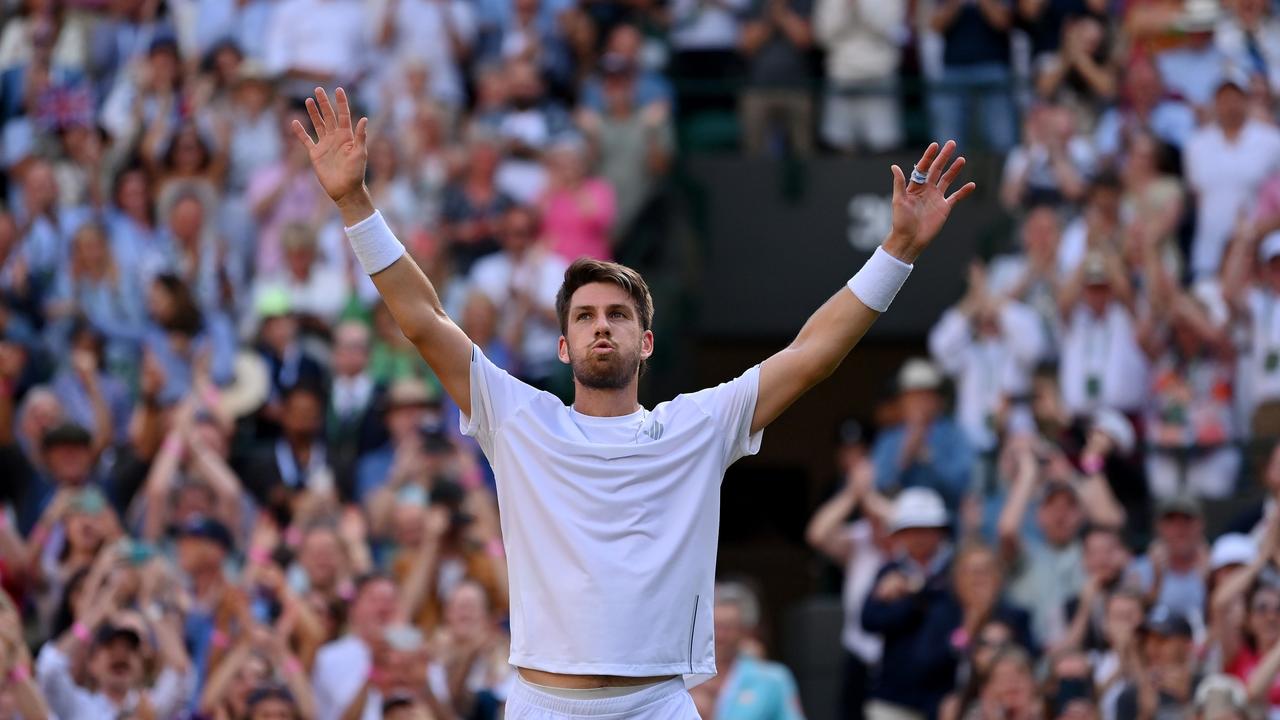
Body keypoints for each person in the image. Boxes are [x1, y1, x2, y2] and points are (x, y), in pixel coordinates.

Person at [292, 87, 976, 719]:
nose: (600, 326)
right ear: (562, 346)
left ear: (645, 341)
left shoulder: (699, 426)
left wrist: (898, 249)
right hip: (541, 701)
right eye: (584, 316)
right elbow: (423, 320)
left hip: (657, 704)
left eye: (617, 315)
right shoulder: (518, 417)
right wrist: (355, 205)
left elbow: (812, 355)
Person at [805, 448, 890, 720]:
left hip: (897, 652)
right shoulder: (859, 539)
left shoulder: (906, 542)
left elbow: (897, 519)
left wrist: (868, 492)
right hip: (857, 650)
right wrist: (851, 493)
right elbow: (816, 534)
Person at [861, 487, 955, 720]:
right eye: (911, 530)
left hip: (946, 697)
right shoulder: (889, 571)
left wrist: (912, 590)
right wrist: (914, 600)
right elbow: (869, 620)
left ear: (941, 532)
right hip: (894, 696)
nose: (920, 537)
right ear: (899, 535)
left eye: (927, 530)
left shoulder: (956, 572)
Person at [689, 582, 805, 719]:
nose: (720, 636)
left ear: (745, 631)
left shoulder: (773, 679)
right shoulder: (682, 678)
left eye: (728, 628)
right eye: (714, 627)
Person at [869, 358, 975, 509]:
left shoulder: (954, 434)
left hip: (945, 524)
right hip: (900, 523)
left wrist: (929, 457)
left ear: (937, 399)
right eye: (913, 396)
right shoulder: (889, 437)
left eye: (926, 395)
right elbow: (880, 486)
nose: (920, 402)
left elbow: (961, 487)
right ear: (902, 399)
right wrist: (906, 453)